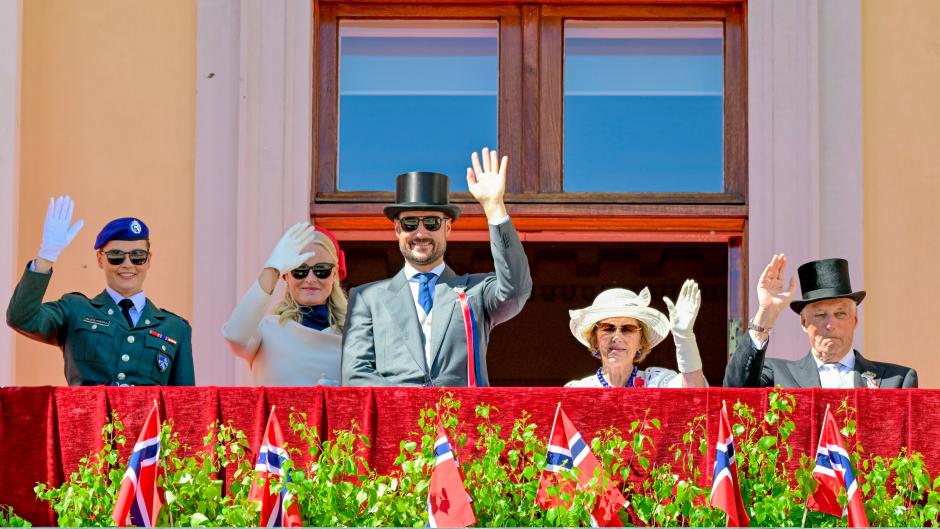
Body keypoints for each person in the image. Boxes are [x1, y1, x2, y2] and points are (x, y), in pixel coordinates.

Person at [342, 148, 532, 386]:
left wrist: (494, 207)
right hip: (397, 421)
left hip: (463, 421)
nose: (420, 233)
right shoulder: (367, 298)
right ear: (397, 229)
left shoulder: (476, 291)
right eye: (410, 223)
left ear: (448, 228)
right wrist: (415, 407)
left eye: (431, 223)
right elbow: (355, 376)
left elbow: (516, 290)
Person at [6, 196, 195, 385]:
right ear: (100, 259)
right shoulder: (76, 310)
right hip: (86, 415)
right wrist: (46, 257)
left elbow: (185, 404)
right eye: (116, 256)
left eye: (138, 256)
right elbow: (21, 318)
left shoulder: (175, 328)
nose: (127, 264)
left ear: (149, 260)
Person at [724, 254, 917, 388]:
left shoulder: (895, 380)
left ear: (855, 320)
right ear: (803, 322)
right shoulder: (777, 375)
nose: (830, 324)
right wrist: (765, 314)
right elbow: (736, 393)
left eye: (840, 314)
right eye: (820, 315)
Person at [222, 222, 347, 386]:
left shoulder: (354, 337)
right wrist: (273, 268)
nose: (310, 279)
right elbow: (235, 335)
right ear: (286, 275)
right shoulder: (266, 331)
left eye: (322, 270)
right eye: (299, 270)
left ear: (334, 274)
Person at [565, 280, 708, 388]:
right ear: (594, 339)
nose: (617, 336)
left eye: (627, 329)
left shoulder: (657, 383)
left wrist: (684, 337)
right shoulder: (577, 390)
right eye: (608, 328)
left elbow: (695, 396)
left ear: (641, 341)